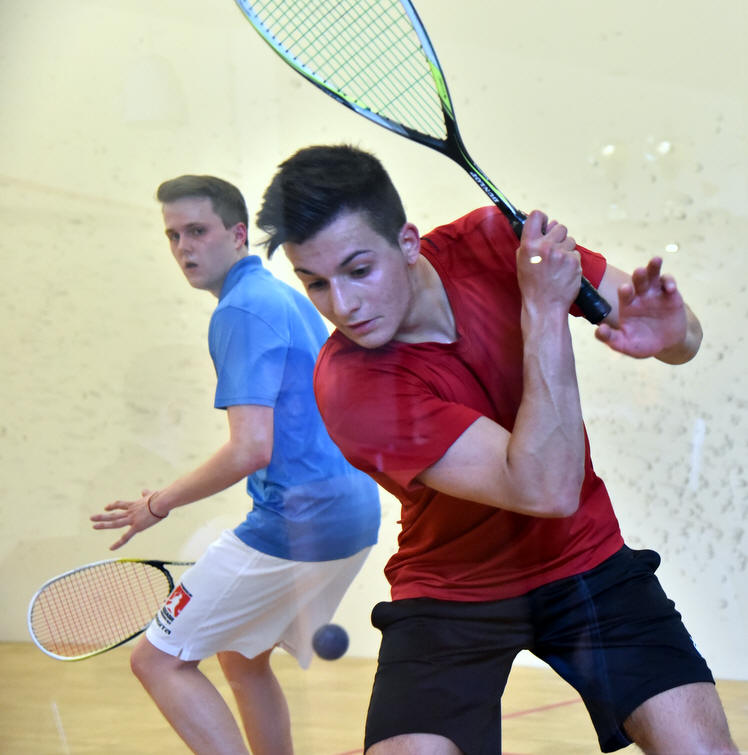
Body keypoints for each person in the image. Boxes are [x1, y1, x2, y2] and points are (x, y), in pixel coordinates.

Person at [254, 144, 738, 755]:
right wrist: (543, 307)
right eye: (316, 284)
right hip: (452, 590)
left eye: (359, 270)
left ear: (407, 242)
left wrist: (674, 333)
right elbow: (545, 488)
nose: (343, 305)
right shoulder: (349, 385)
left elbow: (682, 337)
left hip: (585, 558)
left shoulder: (491, 241)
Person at [91, 174, 380, 755]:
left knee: (156, 661)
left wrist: (157, 505)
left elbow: (250, 449)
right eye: (173, 235)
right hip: (352, 513)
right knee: (242, 658)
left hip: (297, 522)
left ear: (238, 234)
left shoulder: (241, 311)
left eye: (197, 231)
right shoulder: (281, 295)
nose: (184, 248)